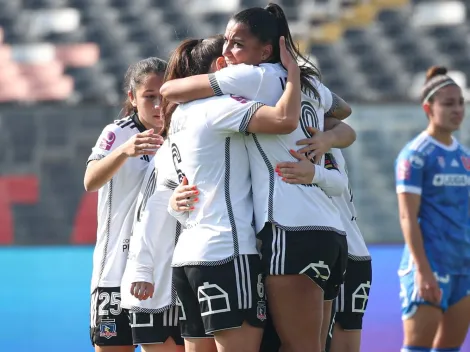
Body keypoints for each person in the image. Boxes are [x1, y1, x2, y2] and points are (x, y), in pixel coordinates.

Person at [160, 4, 355, 352]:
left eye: (236, 44)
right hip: (331, 230)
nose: (227, 54)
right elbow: (343, 112)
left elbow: (169, 91)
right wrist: (302, 89)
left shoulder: (249, 78)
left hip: (286, 229)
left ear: (264, 50)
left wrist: (286, 75)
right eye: (225, 46)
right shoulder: (307, 83)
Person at [161, 33, 303, 352]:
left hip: (187, 257)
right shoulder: (219, 106)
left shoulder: (177, 115)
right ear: (221, 66)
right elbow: (284, 120)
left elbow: (171, 188)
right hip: (227, 250)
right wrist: (293, 75)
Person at [85, 57, 166, 351]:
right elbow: (90, 180)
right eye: (149, 97)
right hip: (115, 271)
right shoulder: (118, 132)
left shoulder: (182, 135)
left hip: (161, 271)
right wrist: (124, 152)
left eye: (164, 96)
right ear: (132, 97)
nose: (158, 105)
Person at [395, 65, 470, 352]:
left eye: (461, 102)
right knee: (417, 348)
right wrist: (423, 271)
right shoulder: (415, 155)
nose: (457, 109)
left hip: (462, 266)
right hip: (430, 266)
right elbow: (407, 216)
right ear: (429, 108)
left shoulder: (464, 157)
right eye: (448, 103)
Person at [276, 148, 373, 352]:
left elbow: (342, 121)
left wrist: (328, 139)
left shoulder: (320, 134)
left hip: (346, 251)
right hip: (284, 246)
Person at [120, 136, 185, 352]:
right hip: (157, 286)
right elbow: (149, 212)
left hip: (194, 277)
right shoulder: (169, 151)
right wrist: (142, 269)